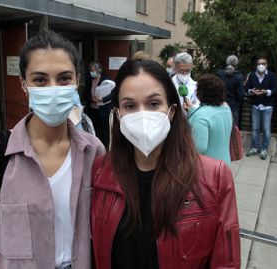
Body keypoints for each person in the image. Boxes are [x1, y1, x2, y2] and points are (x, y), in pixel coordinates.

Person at [0, 31, 106, 269]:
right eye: (40, 80)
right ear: (24, 84)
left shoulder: (93, 151)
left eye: (64, 78)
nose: (53, 89)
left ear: (77, 81)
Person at [90, 60, 240, 269]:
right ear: (117, 114)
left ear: (171, 110)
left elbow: (226, 262)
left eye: (153, 104)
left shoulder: (214, 176)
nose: (142, 115)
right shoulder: (100, 171)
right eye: (130, 106)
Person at [186, 74, 233, 166]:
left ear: (200, 93)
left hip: (207, 168)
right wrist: (192, 110)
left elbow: (199, 148)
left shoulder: (200, 117)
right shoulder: (226, 108)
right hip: (224, 164)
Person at [245, 56, 277, 160]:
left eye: (263, 63)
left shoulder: (272, 76)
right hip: (256, 105)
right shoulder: (252, 75)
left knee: (266, 129)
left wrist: (266, 92)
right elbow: (247, 88)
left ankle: (264, 149)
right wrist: (251, 91)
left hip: (267, 106)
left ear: (266, 65)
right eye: (259, 63)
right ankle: (255, 147)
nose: (261, 65)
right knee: (255, 128)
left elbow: (275, 90)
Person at [86, 61, 113, 148]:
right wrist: (91, 99)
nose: (92, 72)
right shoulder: (89, 80)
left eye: (93, 70)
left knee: (105, 131)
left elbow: (113, 94)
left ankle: (106, 148)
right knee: (94, 130)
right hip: (92, 110)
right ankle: (96, 147)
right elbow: (85, 94)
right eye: (90, 70)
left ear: (99, 70)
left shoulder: (106, 80)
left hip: (104, 110)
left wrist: (102, 99)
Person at [216, 55, 245, 126]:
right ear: (236, 64)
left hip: (220, 103)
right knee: (233, 128)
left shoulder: (220, 74)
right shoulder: (239, 77)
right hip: (233, 105)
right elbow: (241, 94)